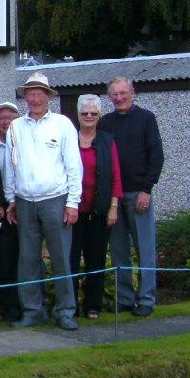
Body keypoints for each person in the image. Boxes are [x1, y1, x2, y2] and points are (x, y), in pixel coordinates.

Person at [3, 72, 82, 331]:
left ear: (48, 96)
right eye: (30, 93)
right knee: (28, 259)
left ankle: (65, 310)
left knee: (61, 257)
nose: (35, 98)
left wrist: (73, 202)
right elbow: (10, 166)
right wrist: (11, 199)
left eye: (40, 93)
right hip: (25, 201)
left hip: (55, 199)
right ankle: (33, 311)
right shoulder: (16, 126)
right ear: (25, 96)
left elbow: (73, 165)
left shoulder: (62, 124)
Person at [99, 77, 164, 317]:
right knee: (119, 250)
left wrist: (147, 189)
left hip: (139, 193)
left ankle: (146, 299)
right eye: (114, 94)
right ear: (109, 97)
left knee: (145, 248)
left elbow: (156, 156)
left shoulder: (146, 118)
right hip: (114, 197)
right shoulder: (105, 123)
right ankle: (125, 299)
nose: (119, 98)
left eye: (123, 93)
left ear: (132, 93)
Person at [71, 94, 123, 319]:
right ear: (78, 116)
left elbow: (115, 176)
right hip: (72, 211)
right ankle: (70, 304)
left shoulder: (107, 140)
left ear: (99, 116)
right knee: (71, 259)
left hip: (99, 210)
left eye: (93, 113)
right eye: (85, 113)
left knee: (96, 259)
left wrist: (114, 206)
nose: (89, 117)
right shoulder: (69, 138)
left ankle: (93, 305)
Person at [0, 101, 22, 322]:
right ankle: (3, 308)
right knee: (0, 262)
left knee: (21, 261)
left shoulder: (23, 145)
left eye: (10, 118)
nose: (5, 122)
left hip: (20, 211)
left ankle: (21, 308)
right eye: (1, 118)